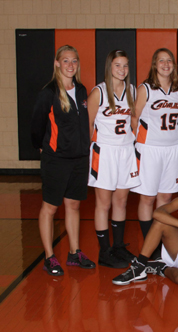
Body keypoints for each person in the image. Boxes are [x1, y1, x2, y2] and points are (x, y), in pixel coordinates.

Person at [31, 45, 95, 275]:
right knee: (50, 207)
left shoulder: (80, 90)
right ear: (57, 63)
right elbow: (36, 126)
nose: (70, 65)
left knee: (74, 205)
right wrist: (42, 147)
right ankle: (49, 257)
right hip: (56, 159)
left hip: (79, 158)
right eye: (66, 61)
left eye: (74, 61)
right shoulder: (48, 92)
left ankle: (74, 253)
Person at [88, 49, 139, 268]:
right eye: (118, 65)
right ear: (110, 67)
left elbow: (135, 119)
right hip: (105, 151)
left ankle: (118, 247)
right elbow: (88, 125)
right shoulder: (98, 92)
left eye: (126, 65)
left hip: (126, 150)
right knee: (104, 203)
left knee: (121, 200)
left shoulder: (132, 90)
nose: (122, 70)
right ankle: (104, 251)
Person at [131, 48, 178, 248]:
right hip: (149, 149)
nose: (166, 64)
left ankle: (160, 241)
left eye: (169, 60)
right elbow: (134, 119)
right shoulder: (145, 89)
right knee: (147, 197)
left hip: (171, 149)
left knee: (166, 197)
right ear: (154, 64)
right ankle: (148, 243)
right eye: (161, 61)